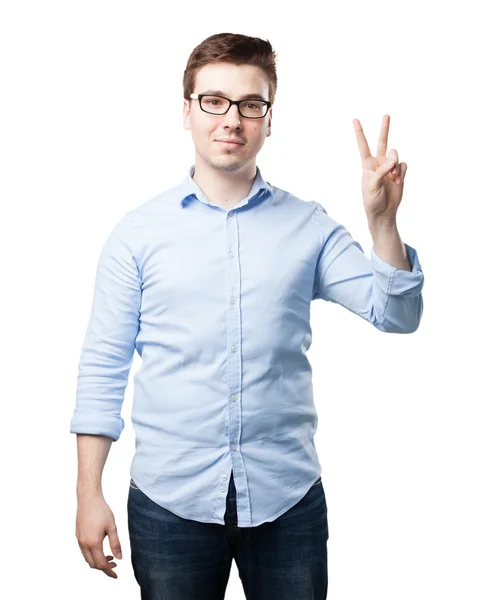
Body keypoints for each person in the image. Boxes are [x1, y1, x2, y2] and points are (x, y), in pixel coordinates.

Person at [71, 32, 425, 600]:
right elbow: (103, 368)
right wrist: (89, 492)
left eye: (250, 104)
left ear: (267, 117)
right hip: (170, 504)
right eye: (214, 100)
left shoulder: (308, 226)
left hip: (287, 501)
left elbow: (397, 315)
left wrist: (382, 223)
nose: (231, 118)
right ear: (186, 111)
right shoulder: (136, 236)